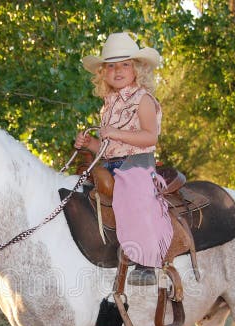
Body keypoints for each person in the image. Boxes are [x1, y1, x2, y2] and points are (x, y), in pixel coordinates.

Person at [74, 32, 172, 286]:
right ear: (103, 73)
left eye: (125, 64)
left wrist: (116, 132)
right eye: (111, 66)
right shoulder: (108, 104)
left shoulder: (144, 100)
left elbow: (150, 137)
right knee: (80, 192)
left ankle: (146, 262)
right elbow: (107, 147)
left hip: (137, 164)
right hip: (110, 165)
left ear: (137, 68)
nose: (118, 70)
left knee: (134, 199)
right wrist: (90, 143)